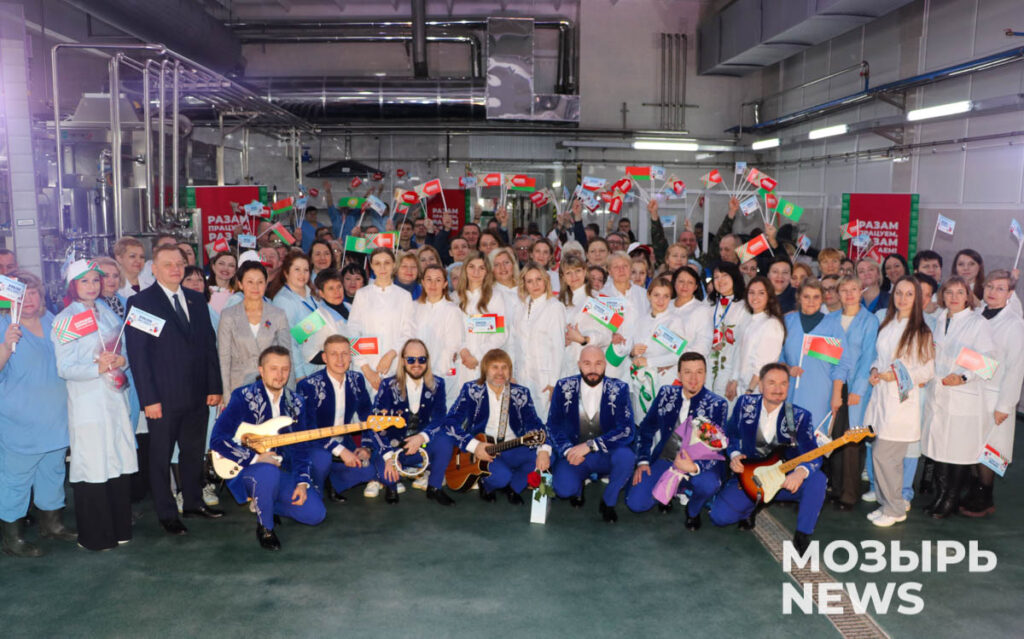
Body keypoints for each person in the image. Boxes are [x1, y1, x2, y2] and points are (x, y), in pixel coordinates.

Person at [124, 246, 223, 535]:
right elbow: (139, 356)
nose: (175, 269)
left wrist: (214, 385)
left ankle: (192, 502)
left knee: (193, 452)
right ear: (154, 269)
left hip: (197, 395)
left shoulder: (196, 299)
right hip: (162, 399)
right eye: (168, 264)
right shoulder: (140, 302)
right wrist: (149, 399)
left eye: (179, 263)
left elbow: (208, 346)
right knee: (160, 458)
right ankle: (167, 513)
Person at [53, 260, 137, 550]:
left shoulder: (107, 312)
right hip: (88, 401)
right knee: (93, 464)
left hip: (115, 398)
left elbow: (122, 348)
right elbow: (65, 367)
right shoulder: (66, 319)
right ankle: (95, 536)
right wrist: (96, 367)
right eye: (84, 281)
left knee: (118, 459)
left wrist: (122, 361)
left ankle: (120, 528)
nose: (92, 286)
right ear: (72, 285)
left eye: (95, 280)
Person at [210, 346, 326, 550]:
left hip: (281, 470)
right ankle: (266, 527)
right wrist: (255, 458)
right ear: (261, 370)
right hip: (246, 469)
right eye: (273, 368)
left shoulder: (296, 402)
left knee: (315, 514)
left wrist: (302, 482)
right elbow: (217, 439)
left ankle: (266, 504)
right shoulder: (243, 396)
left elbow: (301, 447)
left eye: (285, 369)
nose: (280, 375)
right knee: (267, 472)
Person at [709, 363, 825, 553]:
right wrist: (735, 456)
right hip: (750, 478)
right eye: (771, 383)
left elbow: (814, 454)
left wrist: (800, 472)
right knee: (719, 517)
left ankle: (803, 534)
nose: (778, 389)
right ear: (761, 386)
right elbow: (730, 434)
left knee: (818, 479)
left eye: (783, 383)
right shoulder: (744, 404)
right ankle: (751, 508)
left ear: (788, 386)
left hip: (783, 480)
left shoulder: (799, 416)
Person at [0, 271, 74, 556]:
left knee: (52, 472)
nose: (28, 299)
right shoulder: (5, 325)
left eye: (32, 293)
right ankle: (12, 539)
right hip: (20, 421)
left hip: (55, 418)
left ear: (41, 296)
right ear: (8, 298)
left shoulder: (53, 321)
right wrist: (6, 345)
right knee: (15, 479)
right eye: (20, 295)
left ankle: (52, 525)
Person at [863, 276, 934, 527]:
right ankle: (886, 504)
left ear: (917, 299)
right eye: (899, 293)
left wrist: (894, 376)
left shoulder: (921, 331)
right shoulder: (889, 324)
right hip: (881, 399)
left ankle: (895, 509)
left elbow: (926, 371)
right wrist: (875, 370)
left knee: (885, 457)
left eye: (909, 294)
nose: (903, 299)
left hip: (900, 404)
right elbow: (879, 357)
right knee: (881, 458)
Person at [628, 353, 729, 530]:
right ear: (679, 374)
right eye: (688, 372)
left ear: (705, 374)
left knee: (708, 484)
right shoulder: (666, 393)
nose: (693, 378)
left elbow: (717, 448)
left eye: (699, 372)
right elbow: (646, 428)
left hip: (698, 466)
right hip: (666, 459)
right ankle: (668, 492)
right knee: (636, 503)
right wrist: (643, 461)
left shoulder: (717, 404)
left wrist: (694, 467)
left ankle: (693, 511)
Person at [431, 349, 546, 503]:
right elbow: (450, 422)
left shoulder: (521, 393)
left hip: (512, 447)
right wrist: (475, 446)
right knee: (502, 477)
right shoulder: (471, 390)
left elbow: (534, 422)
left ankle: (514, 488)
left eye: (504, 367)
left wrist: (543, 449)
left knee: (545, 456)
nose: (500, 372)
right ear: (485, 370)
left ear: (510, 371)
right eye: (495, 367)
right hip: (483, 450)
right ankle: (488, 484)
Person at [922, 276, 995, 519]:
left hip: (963, 394)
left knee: (958, 452)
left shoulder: (977, 323)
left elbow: (988, 361)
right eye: (949, 292)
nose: (954, 297)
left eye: (960, 292)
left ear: (967, 296)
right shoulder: (938, 319)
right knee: (939, 450)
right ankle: (941, 496)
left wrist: (963, 377)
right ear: (942, 295)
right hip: (937, 394)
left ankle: (951, 500)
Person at [960, 271, 1024, 517]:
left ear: (1010, 294)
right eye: (989, 286)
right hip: (972, 392)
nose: (993, 292)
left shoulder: (1014, 324)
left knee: (990, 450)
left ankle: (985, 497)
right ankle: (974, 491)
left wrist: (1005, 405)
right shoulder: (975, 315)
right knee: (973, 445)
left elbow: (1015, 368)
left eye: (1000, 288)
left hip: (996, 396)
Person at [546, 345, 635, 522]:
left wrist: (591, 445)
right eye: (587, 363)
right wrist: (568, 451)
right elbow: (552, 426)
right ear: (579, 364)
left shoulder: (620, 389)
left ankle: (608, 501)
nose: (593, 369)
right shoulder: (563, 387)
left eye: (598, 363)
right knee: (563, 490)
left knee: (626, 457)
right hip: (574, 454)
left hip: (607, 454)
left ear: (605, 365)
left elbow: (627, 430)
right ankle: (578, 488)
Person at [296, 335, 385, 501]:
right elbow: (309, 428)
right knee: (322, 459)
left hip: (344, 441)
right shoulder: (308, 385)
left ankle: (331, 482)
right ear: (324, 358)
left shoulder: (356, 379)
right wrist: (340, 451)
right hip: (316, 444)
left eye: (344, 353)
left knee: (369, 471)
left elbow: (367, 416)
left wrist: (366, 447)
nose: (340, 359)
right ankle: (315, 487)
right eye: (334, 354)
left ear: (350, 356)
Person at [370, 339, 449, 503]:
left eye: (422, 359)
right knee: (388, 477)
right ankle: (391, 485)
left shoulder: (438, 384)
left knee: (446, 439)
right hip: (393, 447)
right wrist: (389, 457)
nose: (416, 364)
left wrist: (422, 437)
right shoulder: (388, 385)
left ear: (427, 360)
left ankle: (434, 486)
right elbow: (374, 425)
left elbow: (440, 418)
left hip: (422, 446)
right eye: (411, 359)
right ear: (403, 361)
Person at [828, 275, 879, 511]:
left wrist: (858, 390)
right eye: (844, 290)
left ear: (861, 292)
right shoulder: (830, 319)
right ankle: (835, 488)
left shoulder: (869, 321)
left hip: (857, 387)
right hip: (833, 385)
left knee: (852, 440)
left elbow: (868, 356)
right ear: (838, 293)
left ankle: (849, 494)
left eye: (854, 289)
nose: (849, 294)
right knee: (834, 437)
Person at [347, 248, 416, 395]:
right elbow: (352, 331)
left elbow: (409, 332)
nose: (382, 268)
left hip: (394, 364)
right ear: (371, 266)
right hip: (365, 366)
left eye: (387, 263)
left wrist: (391, 354)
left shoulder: (404, 296)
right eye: (377, 263)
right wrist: (365, 368)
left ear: (394, 265)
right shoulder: (362, 294)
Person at [217, 262, 291, 396]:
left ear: (266, 284)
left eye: (260, 282)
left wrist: (289, 394)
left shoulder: (278, 314)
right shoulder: (228, 315)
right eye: (250, 282)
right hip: (239, 385)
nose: (255, 287)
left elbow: (287, 354)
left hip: (272, 384)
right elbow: (224, 358)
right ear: (240, 284)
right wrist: (227, 396)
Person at [630, 278, 688, 417]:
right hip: (641, 382)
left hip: (663, 381)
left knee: (661, 421)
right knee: (641, 421)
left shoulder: (674, 321)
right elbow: (633, 349)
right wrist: (633, 352)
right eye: (656, 295)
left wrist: (649, 362)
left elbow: (680, 355)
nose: (661, 300)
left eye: (666, 296)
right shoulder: (641, 320)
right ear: (649, 295)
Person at [453, 253, 511, 391]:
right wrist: (464, 353)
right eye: (472, 267)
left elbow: (500, 334)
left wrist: (477, 356)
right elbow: (452, 333)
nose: (476, 272)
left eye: (481, 268)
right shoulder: (455, 298)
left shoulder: (495, 297)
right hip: (461, 363)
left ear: (487, 272)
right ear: (465, 269)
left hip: (485, 363)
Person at [722, 276, 785, 402]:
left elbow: (763, 364)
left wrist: (750, 390)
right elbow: (740, 353)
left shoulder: (771, 324)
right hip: (743, 387)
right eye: (751, 292)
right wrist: (734, 380)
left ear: (769, 296)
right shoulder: (749, 320)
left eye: (761, 293)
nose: (755, 297)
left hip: (757, 390)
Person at [412, 265, 463, 410]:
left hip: (442, 374)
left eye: (438, 280)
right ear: (422, 282)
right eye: (429, 279)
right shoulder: (413, 307)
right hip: (415, 373)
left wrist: (434, 376)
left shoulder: (452, 310)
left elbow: (452, 346)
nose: (433, 284)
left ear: (445, 284)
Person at [270, 253, 322, 381]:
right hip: (303, 370)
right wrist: (299, 374)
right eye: (297, 269)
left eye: (306, 270)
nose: (302, 274)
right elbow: (289, 341)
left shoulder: (312, 295)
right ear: (286, 273)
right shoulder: (283, 300)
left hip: (319, 364)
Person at [706, 263, 749, 400]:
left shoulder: (744, 306)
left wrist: (735, 378)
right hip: (707, 368)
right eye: (716, 277)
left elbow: (743, 346)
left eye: (725, 275)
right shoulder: (708, 303)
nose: (720, 280)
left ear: (734, 277)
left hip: (730, 370)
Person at [669, 266, 713, 356]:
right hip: (658, 360)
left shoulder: (702, 310)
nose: (685, 286)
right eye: (681, 281)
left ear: (696, 286)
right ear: (674, 283)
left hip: (687, 361)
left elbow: (703, 346)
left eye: (690, 282)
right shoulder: (665, 305)